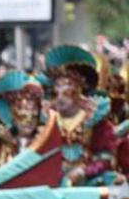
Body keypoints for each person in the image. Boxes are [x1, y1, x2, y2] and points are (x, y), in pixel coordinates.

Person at [44, 44, 120, 186]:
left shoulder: (95, 119)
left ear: (79, 92)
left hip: (89, 182)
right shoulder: (47, 120)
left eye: (67, 93)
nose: (60, 98)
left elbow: (105, 158)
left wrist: (83, 172)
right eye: (56, 93)